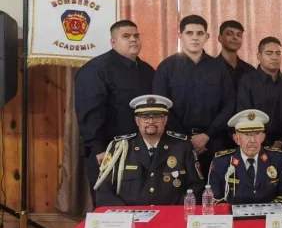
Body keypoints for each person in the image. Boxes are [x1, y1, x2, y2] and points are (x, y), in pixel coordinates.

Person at [75, 20, 155, 202]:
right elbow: (89, 114)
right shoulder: (96, 69)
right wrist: (98, 149)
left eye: (136, 36)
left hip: (141, 151)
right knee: (109, 207)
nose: (133, 40)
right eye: (126, 36)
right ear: (113, 42)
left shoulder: (148, 71)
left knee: (139, 205)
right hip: (107, 151)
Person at [152, 15, 235, 176]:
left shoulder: (218, 68)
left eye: (199, 33)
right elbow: (161, 107)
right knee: (179, 192)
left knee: (215, 192)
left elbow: (229, 104)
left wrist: (207, 135)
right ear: (180, 35)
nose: (195, 38)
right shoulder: (166, 68)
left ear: (207, 37)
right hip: (176, 142)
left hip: (213, 142)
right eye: (189, 33)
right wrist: (186, 139)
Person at [93, 95, 203, 207]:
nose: (151, 121)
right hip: (130, 219)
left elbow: (196, 187)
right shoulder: (120, 147)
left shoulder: (182, 146)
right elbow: (103, 190)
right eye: (144, 117)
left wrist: (175, 214)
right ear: (137, 120)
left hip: (171, 217)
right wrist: (125, 215)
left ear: (165, 120)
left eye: (157, 116)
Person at [208, 109, 282, 205]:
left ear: (263, 137)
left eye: (257, 134)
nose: (252, 140)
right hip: (234, 217)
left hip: (269, 216)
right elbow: (214, 198)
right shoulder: (221, 161)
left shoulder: (277, 158)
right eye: (246, 135)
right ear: (236, 138)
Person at [236, 36, 282, 149]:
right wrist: (266, 142)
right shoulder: (247, 82)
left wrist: (281, 141)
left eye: (278, 54)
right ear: (259, 56)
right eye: (269, 53)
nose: (274, 57)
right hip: (256, 145)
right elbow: (245, 116)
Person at [215, 20, 255, 90]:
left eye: (239, 35)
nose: (235, 37)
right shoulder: (209, 69)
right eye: (230, 34)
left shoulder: (250, 71)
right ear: (220, 38)